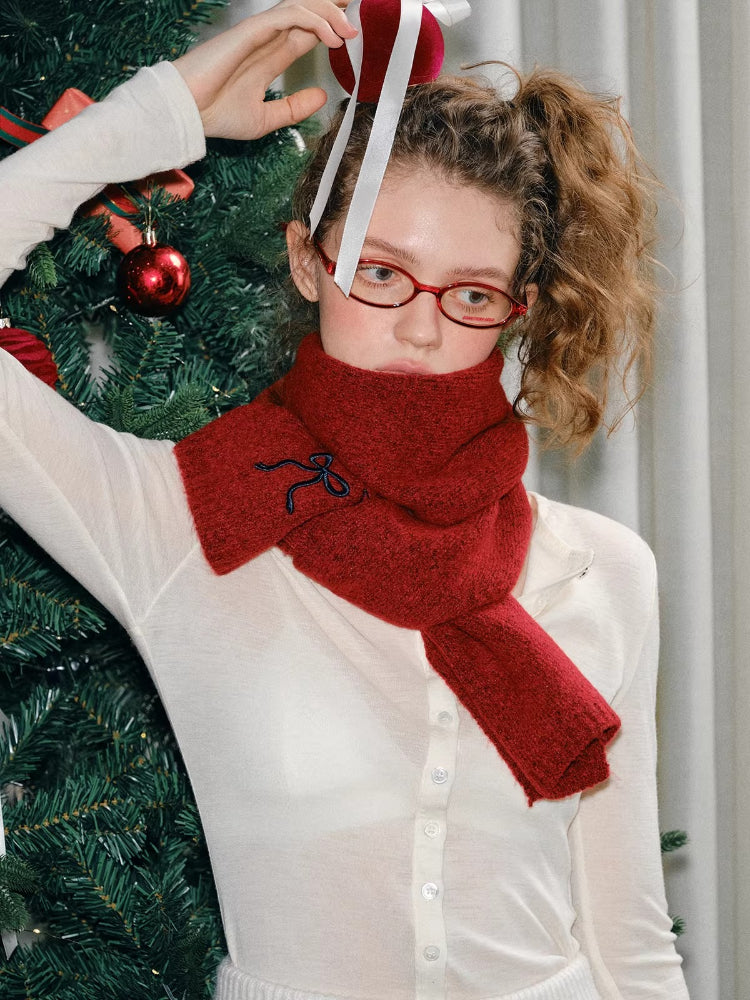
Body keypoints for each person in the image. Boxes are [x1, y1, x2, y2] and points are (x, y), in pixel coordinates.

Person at [0, 1, 690, 998]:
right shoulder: (184, 524)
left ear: (518, 310)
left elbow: (631, 944)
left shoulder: (602, 571)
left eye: (471, 292)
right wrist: (163, 113)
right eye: (379, 271)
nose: (420, 328)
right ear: (305, 260)